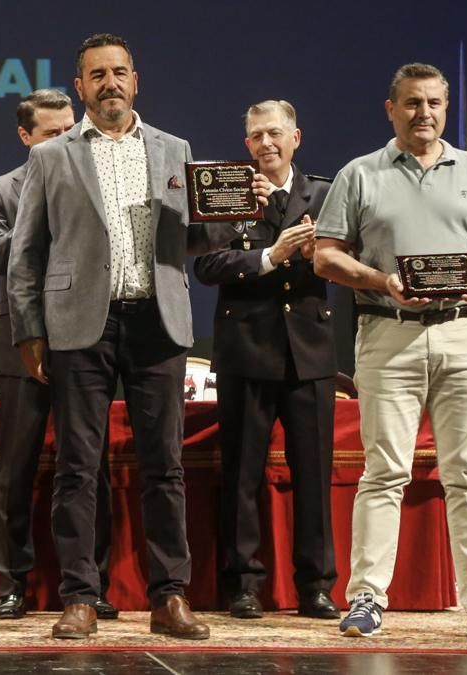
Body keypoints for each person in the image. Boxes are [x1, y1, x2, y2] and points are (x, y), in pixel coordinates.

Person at [7, 33, 258, 640]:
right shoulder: (51, 157)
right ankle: (80, 597)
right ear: (81, 86)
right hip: (79, 324)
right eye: (97, 75)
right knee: (76, 467)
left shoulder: (176, 150)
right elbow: (26, 253)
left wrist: (234, 217)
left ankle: (169, 596)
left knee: (164, 466)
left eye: (119, 72)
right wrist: (29, 331)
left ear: (136, 79)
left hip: (157, 320)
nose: (110, 83)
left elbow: (190, 241)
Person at [314, 62, 467, 641]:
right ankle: (366, 599)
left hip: (465, 333)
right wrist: (382, 281)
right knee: (384, 473)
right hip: (388, 331)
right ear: (391, 109)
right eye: (411, 103)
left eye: (433, 102)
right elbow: (326, 256)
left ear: (445, 108)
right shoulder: (359, 174)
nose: (423, 112)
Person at [194, 100, 339, 621]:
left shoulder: (324, 193)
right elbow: (207, 265)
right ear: (246, 145)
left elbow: (348, 259)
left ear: (296, 137)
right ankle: (243, 586)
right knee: (242, 476)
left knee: (314, 476)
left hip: (309, 353)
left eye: (275, 134)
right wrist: (270, 256)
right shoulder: (229, 191)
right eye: (256, 137)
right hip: (245, 351)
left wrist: (315, 254)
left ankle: (317, 587)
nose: (266, 144)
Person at [0, 88, 117, 621]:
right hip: (20, 337)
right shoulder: (1, 188)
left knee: (90, 466)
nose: (65, 140)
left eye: (69, 130)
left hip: (86, 336)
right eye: (51, 134)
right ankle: (12, 581)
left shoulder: (96, 181)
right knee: (15, 468)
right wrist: (50, 216)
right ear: (25, 137)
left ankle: (91, 582)